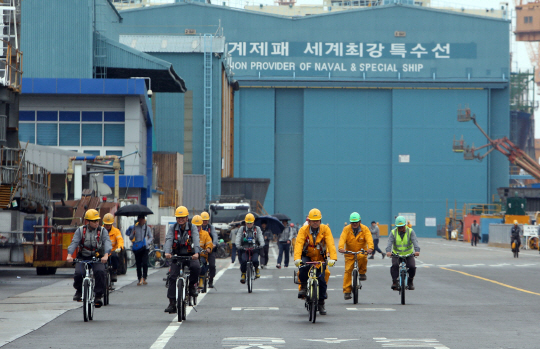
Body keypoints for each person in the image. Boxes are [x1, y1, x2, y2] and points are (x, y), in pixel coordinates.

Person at [294, 208, 337, 315]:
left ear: (320, 221)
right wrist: (297, 259)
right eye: (313, 221)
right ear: (309, 221)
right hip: (307, 256)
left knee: (322, 279)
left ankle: (321, 303)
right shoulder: (303, 230)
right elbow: (299, 243)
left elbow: (330, 243)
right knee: (303, 269)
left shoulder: (325, 229)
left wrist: (333, 258)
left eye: (317, 220)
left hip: (320, 258)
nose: (315, 223)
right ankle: (304, 286)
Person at [66, 209, 112, 307]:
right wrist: (69, 255)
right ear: (87, 221)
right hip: (83, 257)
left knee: (100, 272)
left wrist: (106, 255)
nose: (97, 222)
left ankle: (98, 296)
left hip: (98, 257)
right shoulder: (80, 230)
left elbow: (107, 242)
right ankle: (79, 291)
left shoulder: (102, 231)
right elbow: (74, 242)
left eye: (97, 220)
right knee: (78, 273)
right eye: (94, 220)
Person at [164, 206, 201, 314]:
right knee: (172, 276)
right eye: (178, 217)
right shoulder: (172, 228)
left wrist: (197, 252)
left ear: (187, 217)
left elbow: (196, 239)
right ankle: (172, 303)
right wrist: (167, 252)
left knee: (196, 267)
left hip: (191, 255)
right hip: (177, 255)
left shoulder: (192, 227)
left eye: (183, 217)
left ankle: (192, 286)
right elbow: (169, 239)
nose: (180, 219)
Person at [338, 212, 373, 300]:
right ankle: (347, 291)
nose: (354, 224)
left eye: (356, 222)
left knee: (362, 257)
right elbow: (342, 238)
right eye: (352, 222)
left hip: (361, 252)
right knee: (348, 270)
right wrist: (341, 248)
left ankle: (362, 273)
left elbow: (369, 238)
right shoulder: (346, 229)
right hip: (349, 253)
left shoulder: (365, 229)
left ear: (359, 221)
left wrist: (370, 248)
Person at [386, 216, 420, 291]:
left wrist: (417, 250)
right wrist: (388, 251)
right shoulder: (393, 232)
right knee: (394, 265)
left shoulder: (410, 231)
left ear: (405, 225)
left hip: (408, 254)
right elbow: (389, 243)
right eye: (399, 226)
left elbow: (415, 241)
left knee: (412, 267)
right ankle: (395, 282)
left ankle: (410, 281)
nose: (400, 228)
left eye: (402, 226)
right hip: (396, 254)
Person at [236, 213, 265, 283]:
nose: (249, 225)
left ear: (253, 222)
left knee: (255, 260)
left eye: (250, 223)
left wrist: (261, 244)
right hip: (244, 248)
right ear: (245, 222)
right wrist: (238, 245)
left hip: (254, 248)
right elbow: (238, 237)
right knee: (243, 261)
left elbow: (260, 237)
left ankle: (257, 269)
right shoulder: (241, 229)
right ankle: (243, 274)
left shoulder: (257, 229)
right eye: (248, 223)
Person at [129, 214, 153, 286]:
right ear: (138, 220)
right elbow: (130, 237)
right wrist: (133, 234)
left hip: (145, 248)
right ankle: (139, 278)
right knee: (138, 264)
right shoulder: (134, 228)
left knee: (145, 263)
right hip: (137, 248)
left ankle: (144, 277)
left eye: (142, 219)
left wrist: (147, 243)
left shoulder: (147, 228)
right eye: (140, 219)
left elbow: (151, 237)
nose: (141, 220)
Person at [192, 215, 213, 289]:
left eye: (198, 226)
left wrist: (208, 248)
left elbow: (209, 242)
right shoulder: (189, 233)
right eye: (195, 226)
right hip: (191, 255)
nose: (197, 228)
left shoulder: (205, 234)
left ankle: (201, 279)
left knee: (202, 264)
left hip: (201, 255)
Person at [102, 213, 124, 282]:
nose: (108, 226)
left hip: (113, 251)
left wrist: (120, 247)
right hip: (103, 251)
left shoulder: (116, 231)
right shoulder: (100, 230)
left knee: (115, 257)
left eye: (109, 224)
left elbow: (120, 240)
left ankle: (114, 271)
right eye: (106, 224)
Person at [200, 211, 218, 288]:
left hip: (210, 249)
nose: (205, 222)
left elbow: (215, 236)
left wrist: (213, 244)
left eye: (206, 220)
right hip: (200, 249)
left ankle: (211, 280)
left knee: (212, 265)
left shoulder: (211, 228)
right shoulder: (197, 227)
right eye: (203, 220)